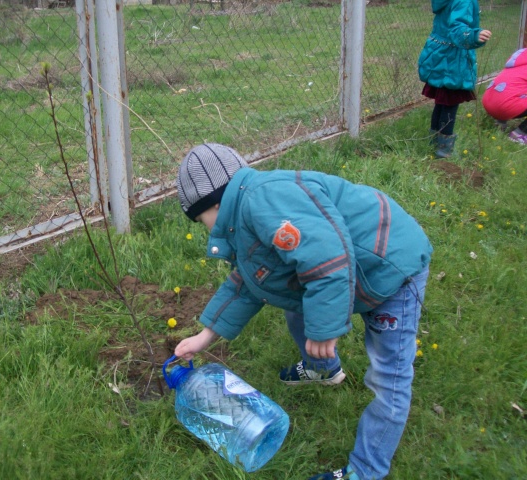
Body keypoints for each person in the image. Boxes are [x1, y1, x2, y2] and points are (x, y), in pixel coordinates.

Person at [173, 143, 433, 480]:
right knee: (291, 297)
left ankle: (367, 470)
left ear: (214, 205)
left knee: (390, 376)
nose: (206, 229)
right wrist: (204, 336)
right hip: (351, 271)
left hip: (392, 267)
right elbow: (251, 282)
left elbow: (327, 261)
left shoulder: (265, 202)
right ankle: (323, 369)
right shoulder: (246, 214)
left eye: (200, 219)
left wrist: (324, 329)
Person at [417, 0, 492, 158]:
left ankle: (433, 143)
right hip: (453, 61)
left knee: (441, 102)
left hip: (439, 55)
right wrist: (473, 35)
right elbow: (458, 28)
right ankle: (443, 152)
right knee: (449, 105)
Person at [481, 48, 527, 145]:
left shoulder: (520, 58)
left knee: (511, 90)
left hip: (488, 101)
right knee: (512, 93)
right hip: (505, 107)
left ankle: (499, 123)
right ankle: (519, 134)